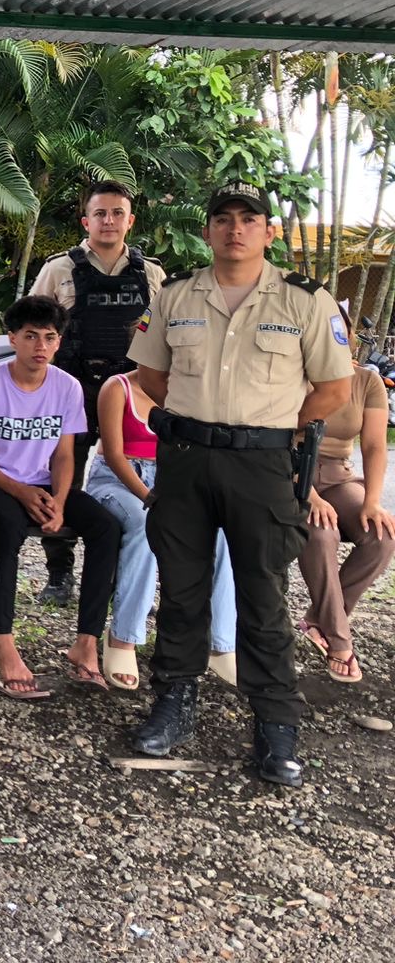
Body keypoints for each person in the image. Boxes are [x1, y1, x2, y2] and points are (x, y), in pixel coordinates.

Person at [128, 181, 352, 786]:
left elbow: (334, 388)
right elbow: (151, 375)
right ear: (207, 230)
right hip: (187, 459)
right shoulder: (175, 294)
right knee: (181, 590)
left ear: (269, 232)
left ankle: (276, 726)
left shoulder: (305, 300)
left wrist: (273, 426)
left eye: (249, 219)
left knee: (263, 596)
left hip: (263, 466)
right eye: (223, 218)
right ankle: (173, 703)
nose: (235, 229)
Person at [0, 296, 121, 701]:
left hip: (42, 482)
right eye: (30, 336)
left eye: (49, 337)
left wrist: (60, 500)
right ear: (12, 338)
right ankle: (4, 643)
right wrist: (20, 491)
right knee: (8, 523)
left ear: (59, 342)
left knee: (106, 527)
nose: (40, 346)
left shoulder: (66, 387)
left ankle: (86, 642)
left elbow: (64, 455)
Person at [29, 181, 165, 607]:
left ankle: (120, 574)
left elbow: (165, 335)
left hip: (132, 395)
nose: (109, 221)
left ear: (130, 220)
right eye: (100, 213)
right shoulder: (58, 270)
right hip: (73, 388)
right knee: (61, 477)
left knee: (130, 480)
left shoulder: (150, 274)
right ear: (86, 221)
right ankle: (59, 571)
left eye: (117, 213)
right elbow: (33, 327)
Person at [85, 370, 239, 690]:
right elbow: (113, 455)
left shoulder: (187, 390)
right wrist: (150, 499)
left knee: (223, 530)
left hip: (170, 482)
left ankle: (221, 642)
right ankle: (123, 637)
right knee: (146, 526)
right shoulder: (118, 387)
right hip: (118, 481)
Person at [295, 348, 395, 684]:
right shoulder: (289, 373)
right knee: (322, 532)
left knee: (382, 535)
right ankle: (339, 641)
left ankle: (318, 619)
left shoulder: (366, 381)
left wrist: (372, 501)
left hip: (339, 475)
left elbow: (375, 446)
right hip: (290, 472)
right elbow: (276, 439)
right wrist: (309, 495)